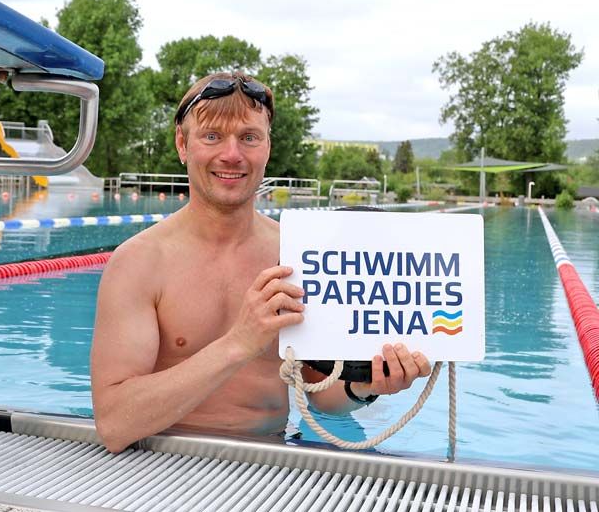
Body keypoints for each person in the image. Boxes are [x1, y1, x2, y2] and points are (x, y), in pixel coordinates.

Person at [90, 72, 432, 453]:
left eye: (249, 137)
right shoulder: (138, 263)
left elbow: (319, 395)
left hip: (269, 462)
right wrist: (240, 343)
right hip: (160, 462)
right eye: (212, 136)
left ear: (267, 147)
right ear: (182, 144)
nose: (232, 154)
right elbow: (116, 423)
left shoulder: (299, 255)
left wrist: (367, 385)